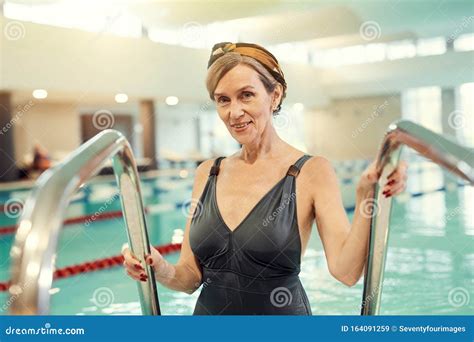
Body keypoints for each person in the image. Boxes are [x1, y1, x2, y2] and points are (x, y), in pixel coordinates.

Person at [122, 42, 408, 315]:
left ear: (275, 95)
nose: (234, 112)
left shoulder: (312, 171)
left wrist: (366, 197)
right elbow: (189, 278)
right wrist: (158, 267)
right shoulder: (208, 173)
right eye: (223, 100)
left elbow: (346, 272)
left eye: (246, 95)